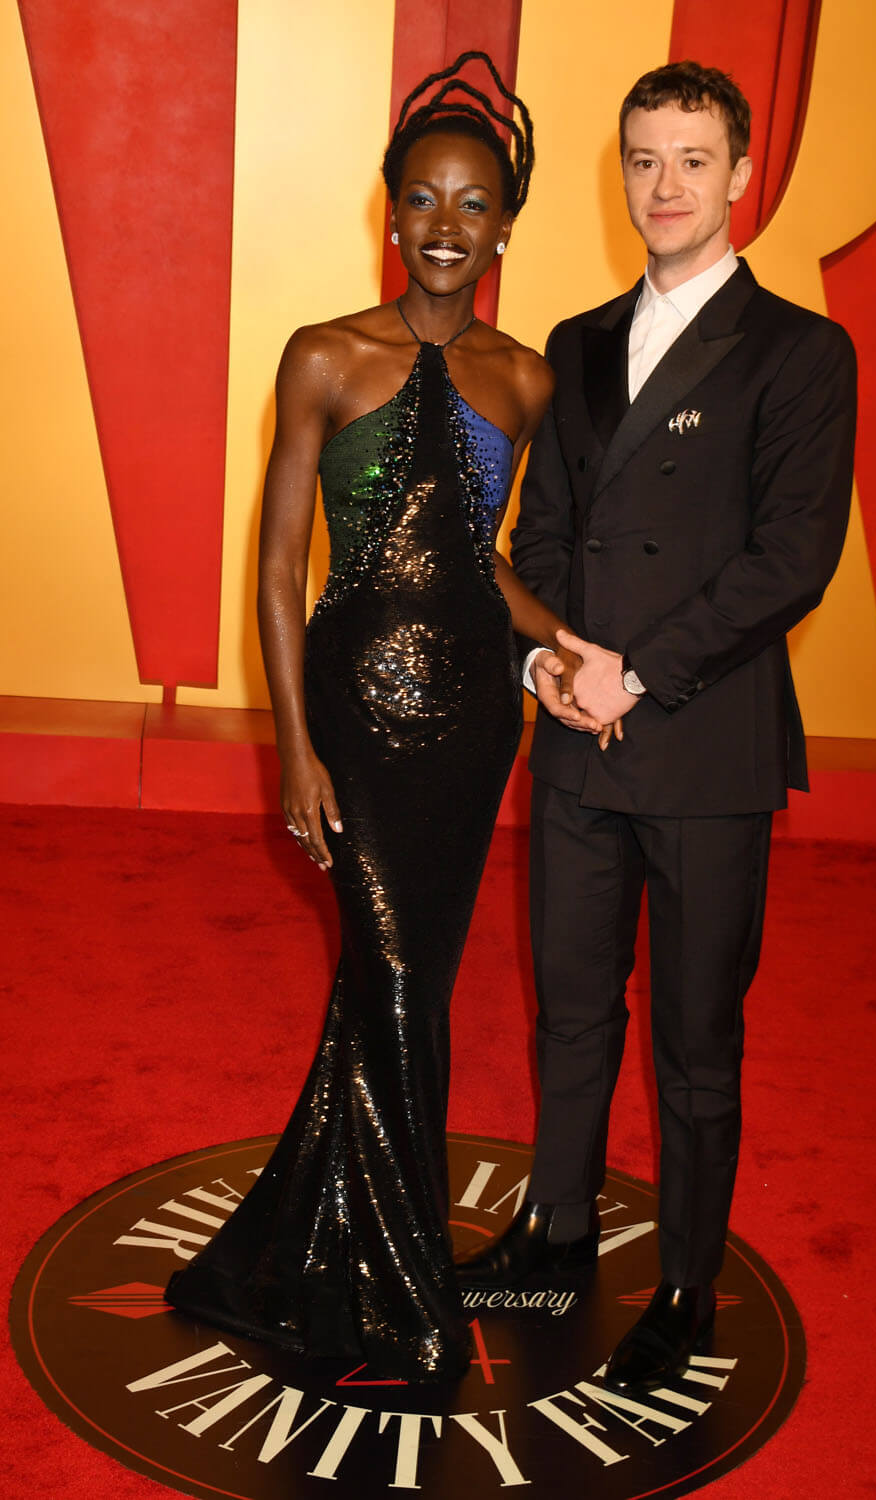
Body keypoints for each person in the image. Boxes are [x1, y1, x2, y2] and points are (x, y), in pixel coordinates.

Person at [165, 52, 611, 1382]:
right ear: (390, 209)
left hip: (473, 730)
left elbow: (481, 563)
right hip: (351, 719)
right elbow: (276, 566)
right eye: (422, 198)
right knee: (401, 984)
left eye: (473, 203)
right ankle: (414, 1300)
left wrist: (564, 643)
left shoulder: (526, 382)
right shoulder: (324, 355)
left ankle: (302, 1248)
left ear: (504, 226)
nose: (445, 225)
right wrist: (291, 752)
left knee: (387, 993)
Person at [456, 60, 857, 1392]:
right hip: (577, 731)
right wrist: (552, 665)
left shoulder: (800, 352)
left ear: (739, 176)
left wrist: (639, 674)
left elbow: (790, 558)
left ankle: (685, 1286)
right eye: (643, 159)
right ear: (619, 173)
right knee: (570, 1012)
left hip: (702, 744)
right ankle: (554, 1231)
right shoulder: (574, 344)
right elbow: (542, 535)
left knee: (694, 1042)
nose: (665, 185)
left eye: (692, 159)